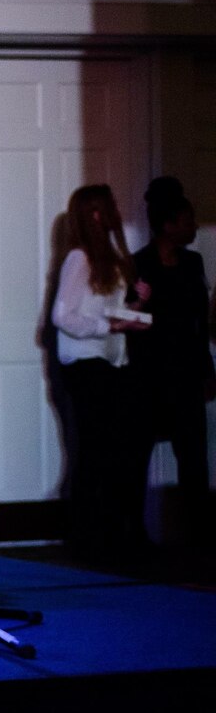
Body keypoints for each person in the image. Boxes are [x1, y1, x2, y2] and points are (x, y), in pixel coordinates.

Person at [52, 184, 152, 556]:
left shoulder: (107, 256)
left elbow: (102, 310)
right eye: (103, 207)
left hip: (108, 363)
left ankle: (107, 535)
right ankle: (87, 538)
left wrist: (134, 306)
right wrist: (109, 327)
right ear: (92, 214)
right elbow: (63, 316)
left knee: (111, 451)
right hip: (86, 366)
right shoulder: (80, 257)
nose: (110, 212)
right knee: (95, 451)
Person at [129, 176, 213, 537]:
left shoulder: (192, 264)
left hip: (187, 373)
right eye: (187, 220)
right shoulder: (139, 265)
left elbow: (199, 321)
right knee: (137, 454)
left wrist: (207, 369)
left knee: (193, 456)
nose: (193, 227)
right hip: (150, 375)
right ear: (168, 224)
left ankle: (199, 531)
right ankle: (133, 530)